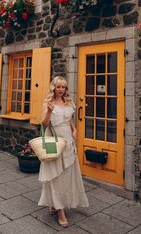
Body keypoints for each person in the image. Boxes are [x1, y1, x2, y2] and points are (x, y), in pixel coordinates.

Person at [38, 76, 89, 228]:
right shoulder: (47, 102)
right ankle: (60, 211)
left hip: (67, 141)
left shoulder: (68, 102)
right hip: (53, 141)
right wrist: (48, 111)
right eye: (58, 86)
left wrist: (74, 131)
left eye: (63, 87)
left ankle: (55, 203)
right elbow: (44, 124)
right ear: (53, 87)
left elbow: (70, 120)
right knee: (55, 176)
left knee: (66, 175)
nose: (61, 89)